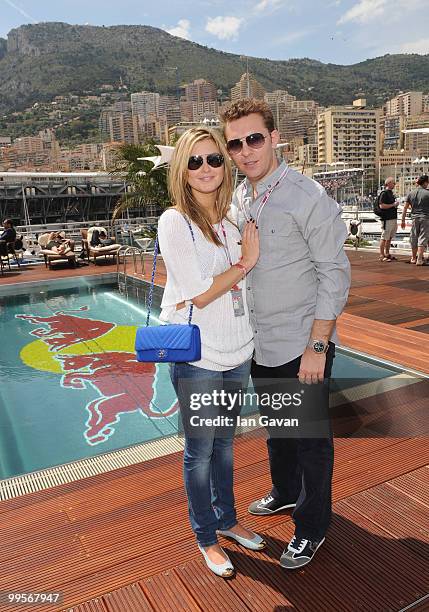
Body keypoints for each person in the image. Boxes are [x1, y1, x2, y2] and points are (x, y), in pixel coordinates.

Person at [221, 99, 351, 570]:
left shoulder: (307, 196)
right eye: (235, 144)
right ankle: (284, 491)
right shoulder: (240, 198)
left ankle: (312, 527)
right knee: (278, 430)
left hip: (302, 344)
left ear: (275, 137)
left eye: (254, 139)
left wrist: (318, 346)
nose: (246, 151)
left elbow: (334, 274)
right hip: (261, 341)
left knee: (311, 440)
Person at [157, 126, 264, 579]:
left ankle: (228, 519)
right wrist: (244, 263)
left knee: (224, 446)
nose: (206, 169)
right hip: (198, 357)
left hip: (238, 350)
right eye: (195, 161)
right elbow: (200, 293)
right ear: (182, 168)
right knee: (200, 452)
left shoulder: (231, 220)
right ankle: (205, 536)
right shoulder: (174, 221)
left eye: (214, 159)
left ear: (225, 164)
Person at [402, 175, 429, 265]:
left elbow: (405, 208)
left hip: (414, 218)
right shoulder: (427, 193)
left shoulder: (411, 193)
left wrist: (402, 221)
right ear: (425, 182)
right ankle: (420, 259)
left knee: (414, 237)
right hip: (425, 218)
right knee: (422, 238)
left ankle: (413, 258)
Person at [378, 177, 399, 261]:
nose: (394, 184)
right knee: (384, 237)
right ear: (389, 183)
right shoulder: (384, 193)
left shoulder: (390, 193)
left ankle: (387, 253)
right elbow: (381, 205)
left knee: (389, 237)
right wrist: (393, 205)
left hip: (392, 218)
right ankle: (381, 255)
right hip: (387, 218)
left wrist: (394, 205)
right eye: (393, 183)